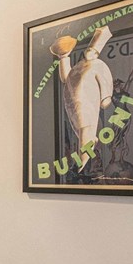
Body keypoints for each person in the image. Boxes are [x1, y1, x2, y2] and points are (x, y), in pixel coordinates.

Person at [50, 26, 114, 172]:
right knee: (83, 130)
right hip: (75, 102)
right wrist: (63, 57)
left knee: (86, 129)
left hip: (86, 102)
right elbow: (66, 78)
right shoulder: (80, 67)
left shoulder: (97, 65)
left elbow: (104, 82)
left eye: (92, 50)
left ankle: (83, 164)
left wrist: (105, 97)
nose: (89, 52)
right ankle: (84, 161)